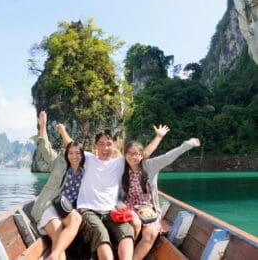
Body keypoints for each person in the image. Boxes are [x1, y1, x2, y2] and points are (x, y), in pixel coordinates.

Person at [58, 124, 170, 260]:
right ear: (96, 146)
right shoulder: (87, 159)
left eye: (109, 144)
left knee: (127, 232)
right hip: (88, 210)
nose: (105, 148)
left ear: (114, 146)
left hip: (112, 211)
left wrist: (158, 137)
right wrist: (63, 131)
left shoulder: (120, 162)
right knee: (101, 234)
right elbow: (71, 145)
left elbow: (142, 154)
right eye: (101, 144)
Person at [120, 137, 200, 260]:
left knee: (151, 233)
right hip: (128, 206)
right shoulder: (120, 168)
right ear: (124, 155)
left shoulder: (150, 165)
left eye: (136, 154)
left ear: (142, 155)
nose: (132, 157)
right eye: (129, 153)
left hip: (148, 208)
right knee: (133, 225)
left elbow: (169, 156)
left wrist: (187, 145)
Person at [30, 111, 84, 260]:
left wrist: (63, 132)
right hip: (48, 206)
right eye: (70, 153)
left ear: (82, 155)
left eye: (77, 153)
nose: (74, 156)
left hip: (66, 209)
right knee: (58, 232)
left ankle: (52, 256)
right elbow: (44, 147)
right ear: (66, 154)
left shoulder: (84, 170)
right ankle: (55, 257)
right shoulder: (58, 162)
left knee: (77, 219)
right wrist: (43, 126)